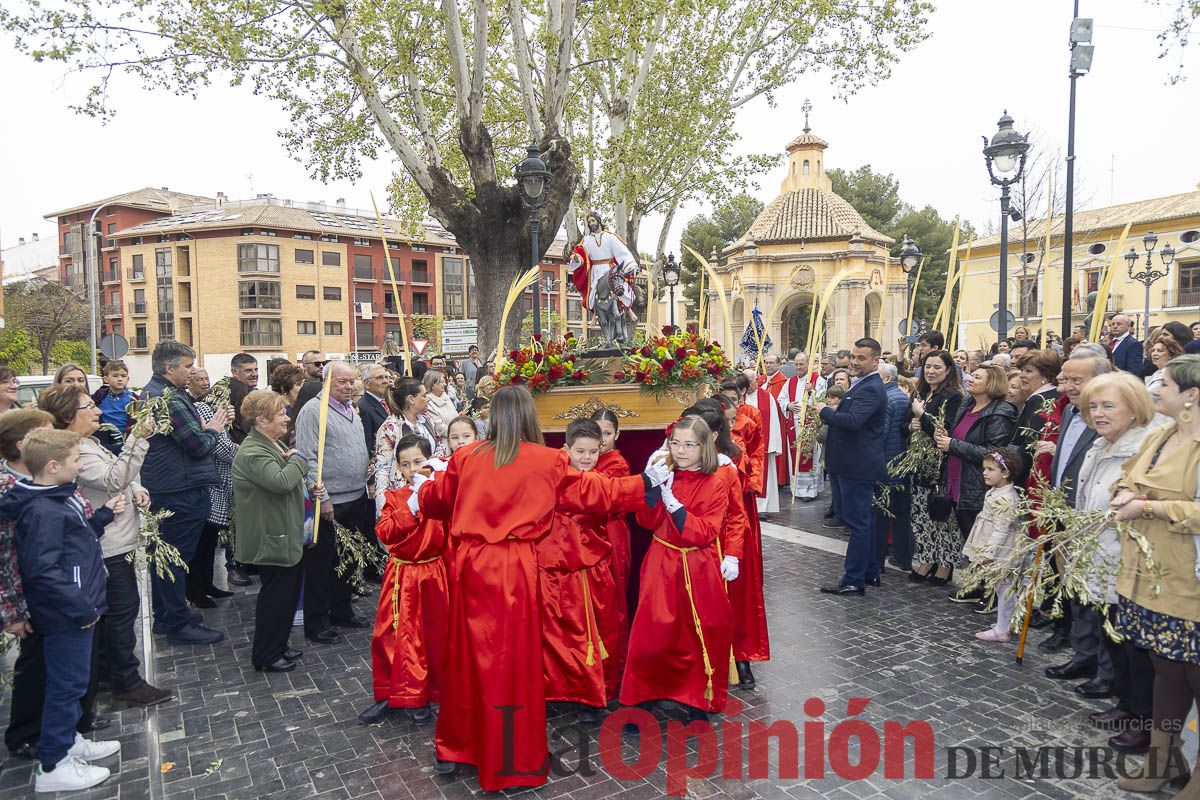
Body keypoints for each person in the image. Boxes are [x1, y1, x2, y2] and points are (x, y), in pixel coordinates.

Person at [409, 385, 647, 790]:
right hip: (514, 567)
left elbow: (434, 500)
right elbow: (594, 493)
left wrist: (419, 489)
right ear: (529, 416)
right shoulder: (546, 459)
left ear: (494, 417)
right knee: (513, 663)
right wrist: (648, 483)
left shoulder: (467, 456)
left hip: (469, 567)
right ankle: (512, 759)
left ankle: (457, 748)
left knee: (466, 658)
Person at [0, 428, 122, 793]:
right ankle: (54, 762)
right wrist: (81, 605)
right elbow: (44, 570)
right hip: (66, 614)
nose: (80, 465)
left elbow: (77, 538)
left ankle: (68, 739)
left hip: (74, 609)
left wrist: (101, 517)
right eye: (74, 460)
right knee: (66, 685)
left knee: (74, 680)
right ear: (52, 466)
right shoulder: (43, 510)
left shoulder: (58, 496)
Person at [37, 385, 172, 708]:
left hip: (116, 540)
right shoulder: (75, 451)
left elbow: (120, 476)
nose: (98, 411)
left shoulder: (88, 444)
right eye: (89, 407)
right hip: (108, 547)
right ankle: (127, 680)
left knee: (116, 616)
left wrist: (137, 488)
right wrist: (138, 438)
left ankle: (108, 675)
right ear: (69, 416)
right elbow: (112, 478)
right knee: (122, 614)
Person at [1111, 355, 1200, 794]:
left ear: (1191, 395)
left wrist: (1148, 506)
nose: (1154, 388)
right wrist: (1125, 492)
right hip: (1150, 577)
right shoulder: (1162, 435)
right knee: (1166, 670)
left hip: (1191, 583)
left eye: (1162, 382)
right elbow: (1127, 477)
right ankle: (1164, 759)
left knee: (1195, 677)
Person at [622, 415, 740, 722]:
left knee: (697, 630)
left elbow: (705, 532)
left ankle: (697, 698)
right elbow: (646, 522)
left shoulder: (715, 482)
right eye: (675, 443)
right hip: (662, 559)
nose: (681, 451)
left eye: (690, 444)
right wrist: (651, 490)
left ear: (705, 446)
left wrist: (673, 503)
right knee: (653, 630)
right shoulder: (665, 473)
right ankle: (644, 695)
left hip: (698, 563)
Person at [1065, 373, 1154, 751]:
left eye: (1108, 406)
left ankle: (1146, 719)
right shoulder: (1099, 445)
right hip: (1097, 556)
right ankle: (1125, 703)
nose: (1098, 414)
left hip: (1127, 559)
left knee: (1135, 646)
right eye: (1092, 407)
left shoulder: (1146, 448)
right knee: (1113, 637)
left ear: (1133, 410)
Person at [140, 341, 228, 646]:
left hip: (170, 485)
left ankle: (167, 615)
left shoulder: (157, 393)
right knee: (174, 559)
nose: (191, 373)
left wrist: (201, 428)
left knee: (164, 557)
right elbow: (199, 446)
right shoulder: (168, 398)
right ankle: (177, 623)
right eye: (187, 367)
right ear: (169, 368)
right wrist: (213, 429)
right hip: (180, 489)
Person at [362, 434, 449, 725]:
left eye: (418, 462)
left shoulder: (440, 497)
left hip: (433, 574)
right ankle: (392, 692)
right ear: (398, 468)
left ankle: (425, 693)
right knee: (390, 634)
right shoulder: (394, 498)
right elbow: (385, 532)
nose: (412, 469)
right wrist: (410, 506)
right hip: (401, 575)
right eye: (405, 464)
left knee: (431, 636)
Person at [537, 419, 619, 719]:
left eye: (593, 452)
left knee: (592, 631)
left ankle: (589, 692)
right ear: (566, 449)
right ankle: (555, 688)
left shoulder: (600, 482)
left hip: (589, 569)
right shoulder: (554, 480)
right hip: (554, 570)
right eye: (580, 451)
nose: (586, 458)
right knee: (555, 633)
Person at [232, 390, 311, 673]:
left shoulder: (271, 444)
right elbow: (280, 481)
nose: (286, 419)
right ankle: (266, 654)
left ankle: (279, 644)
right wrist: (300, 461)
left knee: (286, 595)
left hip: (285, 533)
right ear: (261, 420)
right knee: (275, 598)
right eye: (280, 414)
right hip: (272, 538)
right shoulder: (253, 451)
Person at [295, 361, 373, 644]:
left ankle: (342, 610)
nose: (349, 386)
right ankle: (317, 622)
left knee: (349, 561)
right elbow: (307, 458)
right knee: (322, 565)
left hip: (356, 495)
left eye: (351, 381)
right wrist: (323, 498)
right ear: (326, 381)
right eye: (342, 382)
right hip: (330, 502)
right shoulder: (313, 411)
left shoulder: (351, 408)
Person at [1037, 350, 1109, 656]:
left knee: (1087, 585)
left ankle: (1090, 654)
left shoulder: (1106, 417)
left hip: (1088, 514)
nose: (1067, 387)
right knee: (1061, 574)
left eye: (1077, 380)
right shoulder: (1068, 411)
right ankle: (1066, 632)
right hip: (1059, 504)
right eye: (1065, 379)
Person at [817, 338, 888, 596]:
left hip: (857, 465)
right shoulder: (864, 384)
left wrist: (825, 410)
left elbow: (853, 421)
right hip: (854, 463)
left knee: (858, 523)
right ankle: (869, 572)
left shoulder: (870, 388)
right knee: (862, 521)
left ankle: (854, 579)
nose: (854, 362)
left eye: (861, 358)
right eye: (854, 357)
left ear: (875, 360)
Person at [934, 364, 1018, 576]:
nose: (969, 379)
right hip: (957, 480)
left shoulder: (1000, 412)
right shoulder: (967, 405)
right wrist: (946, 436)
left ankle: (984, 587)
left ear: (991, 384)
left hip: (976, 485)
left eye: (977, 377)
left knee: (982, 537)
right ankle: (975, 583)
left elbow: (994, 453)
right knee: (970, 537)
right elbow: (960, 436)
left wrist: (953, 445)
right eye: (971, 375)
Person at [908, 350, 965, 584]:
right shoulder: (920, 392)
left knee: (943, 518)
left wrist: (922, 415)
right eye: (928, 367)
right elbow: (908, 423)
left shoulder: (953, 397)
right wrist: (910, 425)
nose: (931, 372)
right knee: (921, 517)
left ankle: (946, 563)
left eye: (937, 367)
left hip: (941, 466)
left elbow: (945, 430)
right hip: (919, 464)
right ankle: (926, 558)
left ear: (948, 370)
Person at [187, 373, 238, 609]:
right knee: (203, 541)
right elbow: (222, 448)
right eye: (200, 378)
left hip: (215, 485)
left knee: (208, 542)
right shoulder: (202, 409)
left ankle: (206, 585)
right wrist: (247, 454)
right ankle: (197, 590)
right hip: (212, 485)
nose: (206, 382)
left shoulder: (212, 409)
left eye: (208, 378)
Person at [963, 446, 1023, 642]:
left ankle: (1002, 629)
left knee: (1003, 587)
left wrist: (989, 554)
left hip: (1002, 551)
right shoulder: (996, 491)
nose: (984, 473)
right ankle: (1009, 622)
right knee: (1002, 586)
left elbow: (1001, 530)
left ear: (1005, 473)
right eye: (984, 469)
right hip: (995, 544)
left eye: (991, 469)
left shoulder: (1005, 498)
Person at [591, 408, 631, 696]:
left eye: (607, 433)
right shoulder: (588, 459)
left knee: (612, 602)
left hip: (612, 536)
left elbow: (603, 497)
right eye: (597, 433)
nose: (602, 439)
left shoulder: (617, 464)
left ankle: (613, 669)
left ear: (617, 435)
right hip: (592, 535)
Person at [374, 379, 441, 508]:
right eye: (424, 396)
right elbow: (383, 468)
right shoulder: (391, 428)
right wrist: (382, 506)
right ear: (411, 399)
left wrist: (431, 460)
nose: (427, 400)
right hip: (404, 495)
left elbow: (439, 444)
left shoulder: (426, 421)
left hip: (429, 488)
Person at [875, 363, 913, 573]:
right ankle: (903, 557)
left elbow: (881, 433)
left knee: (881, 514)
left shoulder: (886, 399)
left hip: (887, 462)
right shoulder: (901, 397)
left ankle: (878, 560)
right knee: (900, 515)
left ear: (886, 379)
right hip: (900, 462)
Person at [1009, 349, 1062, 487]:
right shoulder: (1052, 395)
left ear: (1045, 374)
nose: (1022, 376)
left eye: (1028, 371)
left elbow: (1029, 444)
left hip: (1032, 477)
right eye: (1021, 371)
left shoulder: (1040, 400)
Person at [778, 352, 827, 500]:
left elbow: (822, 399)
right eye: (796, 364)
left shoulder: (817, 380)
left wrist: (811, 390)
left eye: (802, 364)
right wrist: (788, 405)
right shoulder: (790, 381)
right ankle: (798, 490)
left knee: (809, 458)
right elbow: (781, 398)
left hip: (810, 424)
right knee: (795, 457)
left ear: (808, 364)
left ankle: (810, 491)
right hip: (794, 423)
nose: (798, 367)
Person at [91, 360, 136, 455]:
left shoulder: (134, 399)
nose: (120, 379)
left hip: (125, 442)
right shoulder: (99, 396)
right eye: (115, 376)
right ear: (106, 379)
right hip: (104, 441)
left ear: (128, 379)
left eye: (123, 376)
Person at [357, 362, 393, 457]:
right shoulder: (363, 407)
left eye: (387, 377)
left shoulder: (390, 402)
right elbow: (367, 443)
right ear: (366, 383)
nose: (385, 381)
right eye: (380, 378)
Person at [290, 350, 327, 418]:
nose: (321, 366)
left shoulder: (328, 384)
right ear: (305, 366)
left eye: (324, 363)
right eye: (317, 363)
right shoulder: (297, 385)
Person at [422, 370, 457, 439]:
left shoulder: (446, 398)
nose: (445, 384)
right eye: (441, 382)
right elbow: (440, 428)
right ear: (432, 385)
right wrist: (457, 434)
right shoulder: (428, 403)